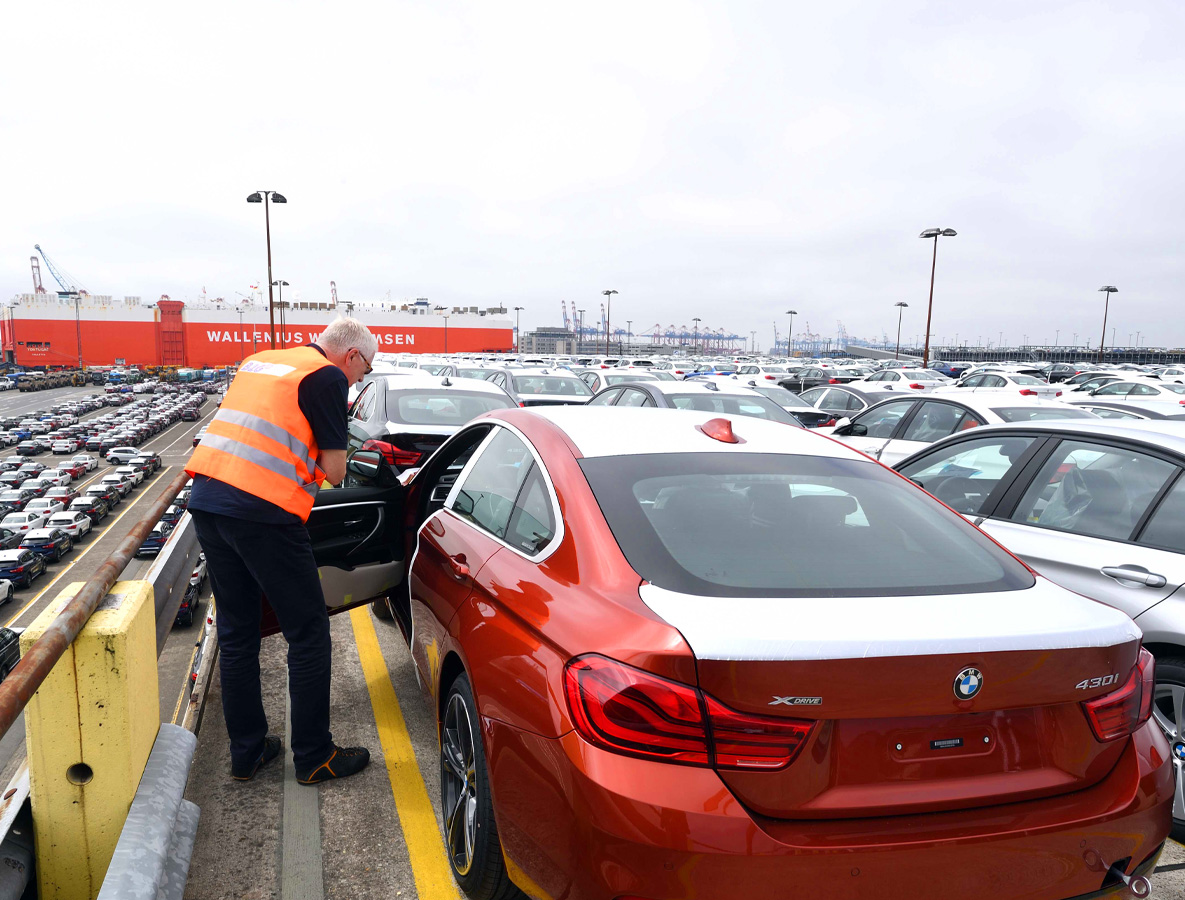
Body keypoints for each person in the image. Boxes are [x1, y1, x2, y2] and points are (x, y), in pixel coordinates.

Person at [186, 317, 377, 784]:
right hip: (265, 513)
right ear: (350, 356)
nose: (360, 380)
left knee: (237, 631)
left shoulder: (262, 361)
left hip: (209, 501)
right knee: (308, 631)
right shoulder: (327, 377)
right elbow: (334, 471)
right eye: (365, 371)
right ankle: (315, 757)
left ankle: (247, 752)